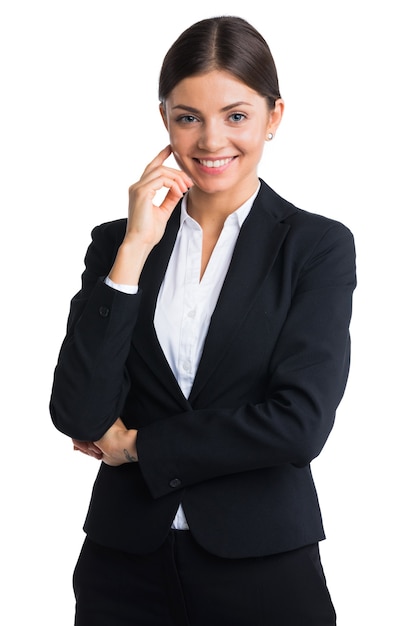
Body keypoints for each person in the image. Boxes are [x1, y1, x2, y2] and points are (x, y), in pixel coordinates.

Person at [50, 15, 356, 626]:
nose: (211, 141)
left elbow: (299, 425)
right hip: (122, 566)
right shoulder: (117, 243)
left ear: (274, 116)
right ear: (164, 120)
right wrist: (134, 251)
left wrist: (140, 447)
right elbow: (78, 413)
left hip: (262, 564)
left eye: (236, 115)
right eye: (188, 116)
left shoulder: (315, 247)